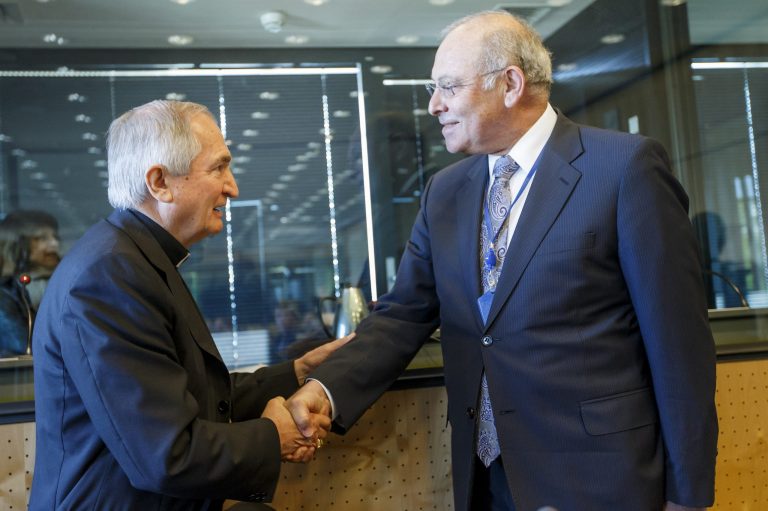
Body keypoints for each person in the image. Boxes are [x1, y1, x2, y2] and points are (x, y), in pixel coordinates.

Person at [286, 10, 717, 511]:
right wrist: (325, 389)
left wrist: (688, 496)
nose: (433, 105)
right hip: (486, 477)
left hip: (601, 476)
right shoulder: (444, 192)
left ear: (510, 83)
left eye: (448, 86)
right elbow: (403, 316)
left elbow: (679, 344)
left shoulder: (623, 168)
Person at [30, 100, 350, 510]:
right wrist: (275, 435)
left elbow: (190, 396)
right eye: (218, 168)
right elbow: (168, 454)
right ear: (160, 182)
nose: (232, 187)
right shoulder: (109, 275)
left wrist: (296, 372)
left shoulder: (136, 259)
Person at [0, 209, 61, 356]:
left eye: (54, 237)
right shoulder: (9, 292)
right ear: (18, 243)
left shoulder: (62, 278)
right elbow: (23, 344)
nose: (54, 244)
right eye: (41, 238)